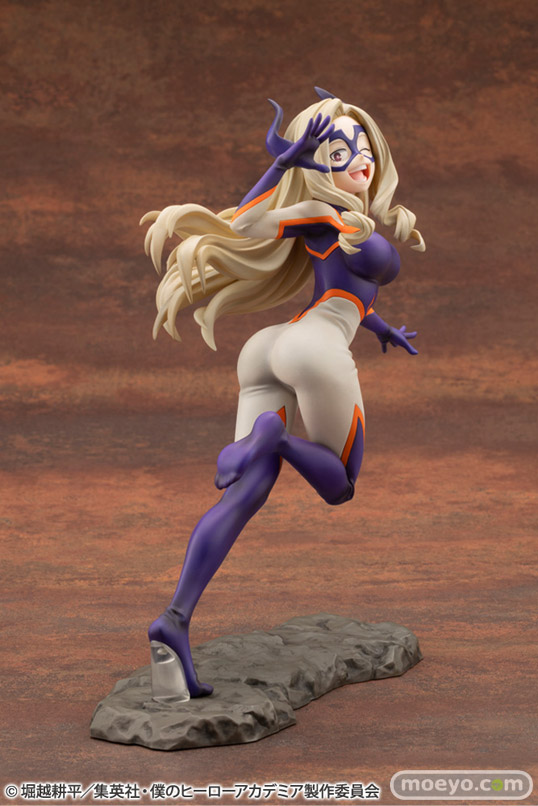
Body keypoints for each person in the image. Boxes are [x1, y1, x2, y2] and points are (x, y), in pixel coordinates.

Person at [141, 88, 425, 700]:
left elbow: (343, 294)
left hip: (271, 346)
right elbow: (250, 227)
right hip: (314, 348)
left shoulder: (327, 219)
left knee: (245, 492)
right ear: (316, 165)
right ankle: (277, 440)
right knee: (340, 485)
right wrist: (283, 165)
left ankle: (176, 618)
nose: (360, 159)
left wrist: (382, 329)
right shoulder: (327, 215)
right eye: (338, 152)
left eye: (362, 146)